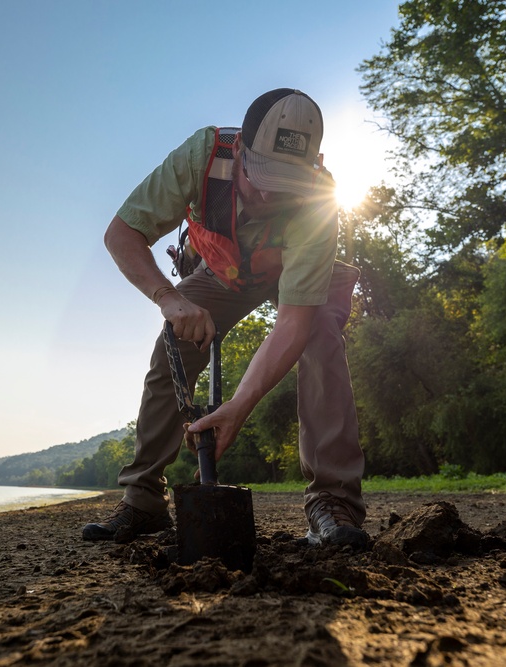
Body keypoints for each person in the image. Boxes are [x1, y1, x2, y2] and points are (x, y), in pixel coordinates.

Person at [82, 89, 366, 548]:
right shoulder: (203, 154)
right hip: (225, 273)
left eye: (286, 180)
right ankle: (144, 501)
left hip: (296, 278)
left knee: (321, 340)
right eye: (260, 176)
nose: (270, 192)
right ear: (239, 151)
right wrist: (170, 300)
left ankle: (332, 502)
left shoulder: (320, 201)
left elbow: (293, 322)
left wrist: (239, 405)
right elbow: (122, 232)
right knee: (171, 343)